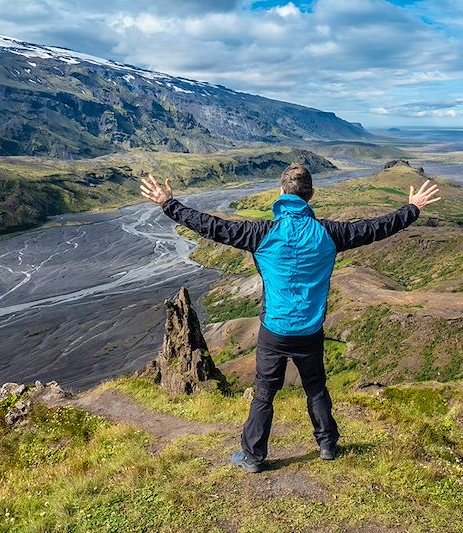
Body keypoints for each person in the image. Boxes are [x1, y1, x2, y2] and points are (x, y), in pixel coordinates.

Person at [139, 164, 441, 473]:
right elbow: (375, 228)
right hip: (310, 330)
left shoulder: (261, 233)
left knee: (264, 394)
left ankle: (254, 457)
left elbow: (211, 226)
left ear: (281, 193)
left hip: (275, 330)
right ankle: (327, 444)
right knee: (316, 388)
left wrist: (169, 204)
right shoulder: (330, 233)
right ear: (310, 196)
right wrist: (412, 209)